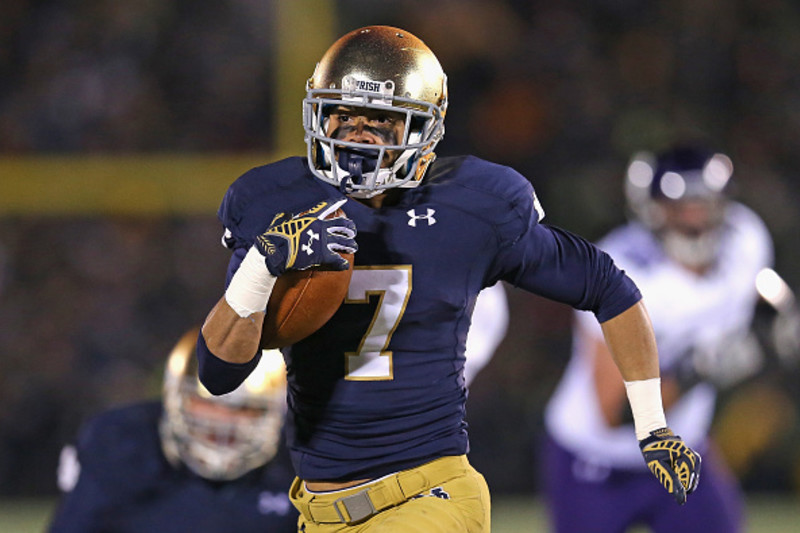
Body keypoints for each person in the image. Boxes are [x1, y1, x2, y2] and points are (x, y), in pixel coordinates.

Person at [197, 25, 700, 532]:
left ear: (422, 131)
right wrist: (267, 260)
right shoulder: (274, 203)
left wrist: (652, 423)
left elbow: (608, 287)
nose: (357, 135)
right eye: (342, 115)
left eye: (381, 120)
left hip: (425, 498)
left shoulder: (471, 206)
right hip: (317, 509)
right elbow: (219, 372)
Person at [542, 145, 774, 532]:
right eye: (680, 206)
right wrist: (703, 370)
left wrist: (780, 321)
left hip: (683, 449)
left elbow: (762, 292)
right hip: (597, 461)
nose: (695, 219)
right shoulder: (619, 271)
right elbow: (613, 412)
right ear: (652, 209)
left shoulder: (744, 239)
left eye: (704, 204)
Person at [48, 327, 299, 533]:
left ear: (278, 410)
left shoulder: (303, 462)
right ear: (174, 396)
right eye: (207, 403)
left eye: (245, 409)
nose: (222, 421)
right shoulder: (121, 442)